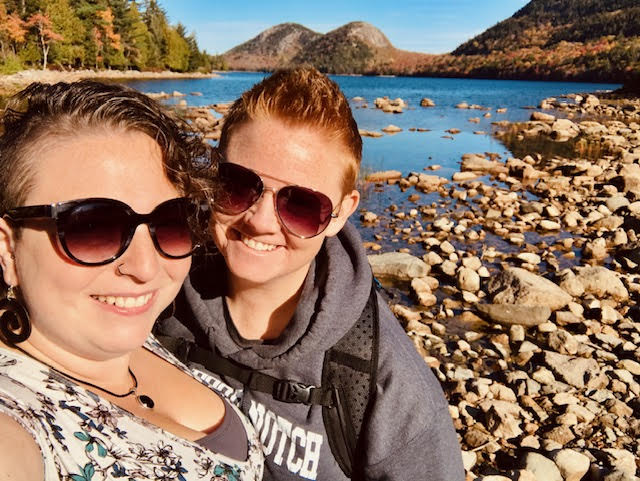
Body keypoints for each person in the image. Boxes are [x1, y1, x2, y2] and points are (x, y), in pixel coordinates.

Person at [158, 68, 465, 480]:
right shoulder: (156, 286)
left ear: (341, 213)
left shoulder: (387, 388)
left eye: (300, 204)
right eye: (237, 184)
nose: (261, 221)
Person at [0, 81, 263, 480]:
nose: (145, 267)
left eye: (172, 222)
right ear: (7, 248)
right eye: (92, 226)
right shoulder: (18, 424)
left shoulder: (124, 336)